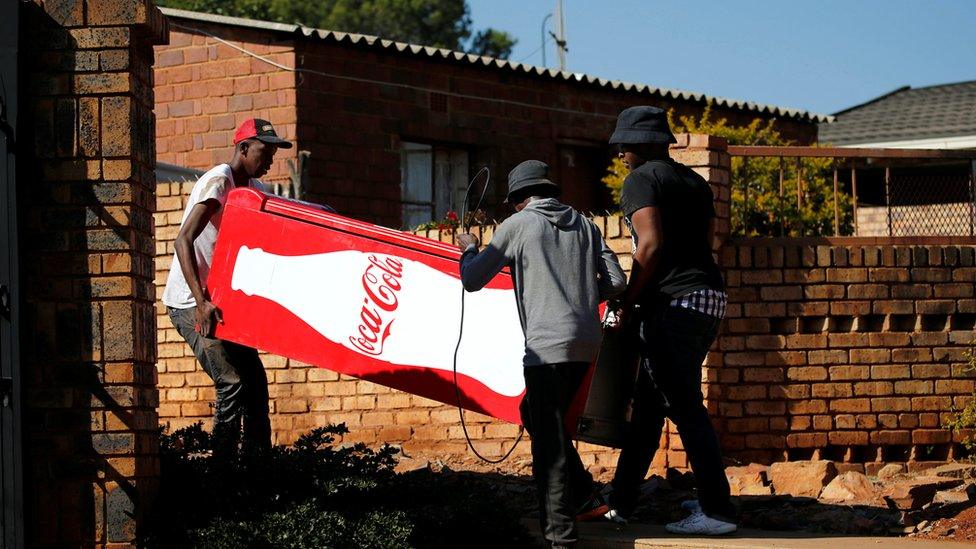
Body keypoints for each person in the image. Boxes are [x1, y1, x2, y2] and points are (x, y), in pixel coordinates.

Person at [457, 160, 626, 548]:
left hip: (547, 347)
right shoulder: (586, 225)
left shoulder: (518, 225)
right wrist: (581, 299)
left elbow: (473, 279)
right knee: (533, 413)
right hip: (586, 343)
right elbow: (616, 281)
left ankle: (561, 538)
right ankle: (583, 497)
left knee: (548, 443)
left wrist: (470, 250)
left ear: (519, 200)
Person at [597, 105, 737, 535]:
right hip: (708, 297)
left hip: (675, 305)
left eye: (624, 143)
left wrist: (628, 300)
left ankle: (717, 512)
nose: (620, 152)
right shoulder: (694, 182)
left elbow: (651, 245)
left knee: (684, 407)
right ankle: (621, 501)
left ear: (640, 145)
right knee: (648, 409)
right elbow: (710, 239)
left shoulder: (642, 179)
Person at [162, 118, 292, 458]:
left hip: (221, 303)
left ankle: (256, 470)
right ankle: (221, 475)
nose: (269, 161)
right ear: (243, 148)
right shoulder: (219, 181)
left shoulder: (255, 191)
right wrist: (202, 302)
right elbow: (183, 240)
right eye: (264, 152)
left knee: (256, 382)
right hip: (192, 301)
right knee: (231, 382)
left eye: (273, 155)